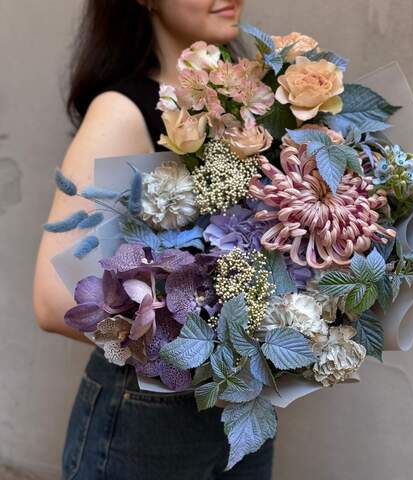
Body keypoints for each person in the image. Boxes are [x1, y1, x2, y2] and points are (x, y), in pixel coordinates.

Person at [32, 1, 275, 478]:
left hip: (240, 409)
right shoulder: (123, 112)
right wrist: (201, 349)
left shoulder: (241, 108)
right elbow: (52, 298)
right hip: (147, 425)